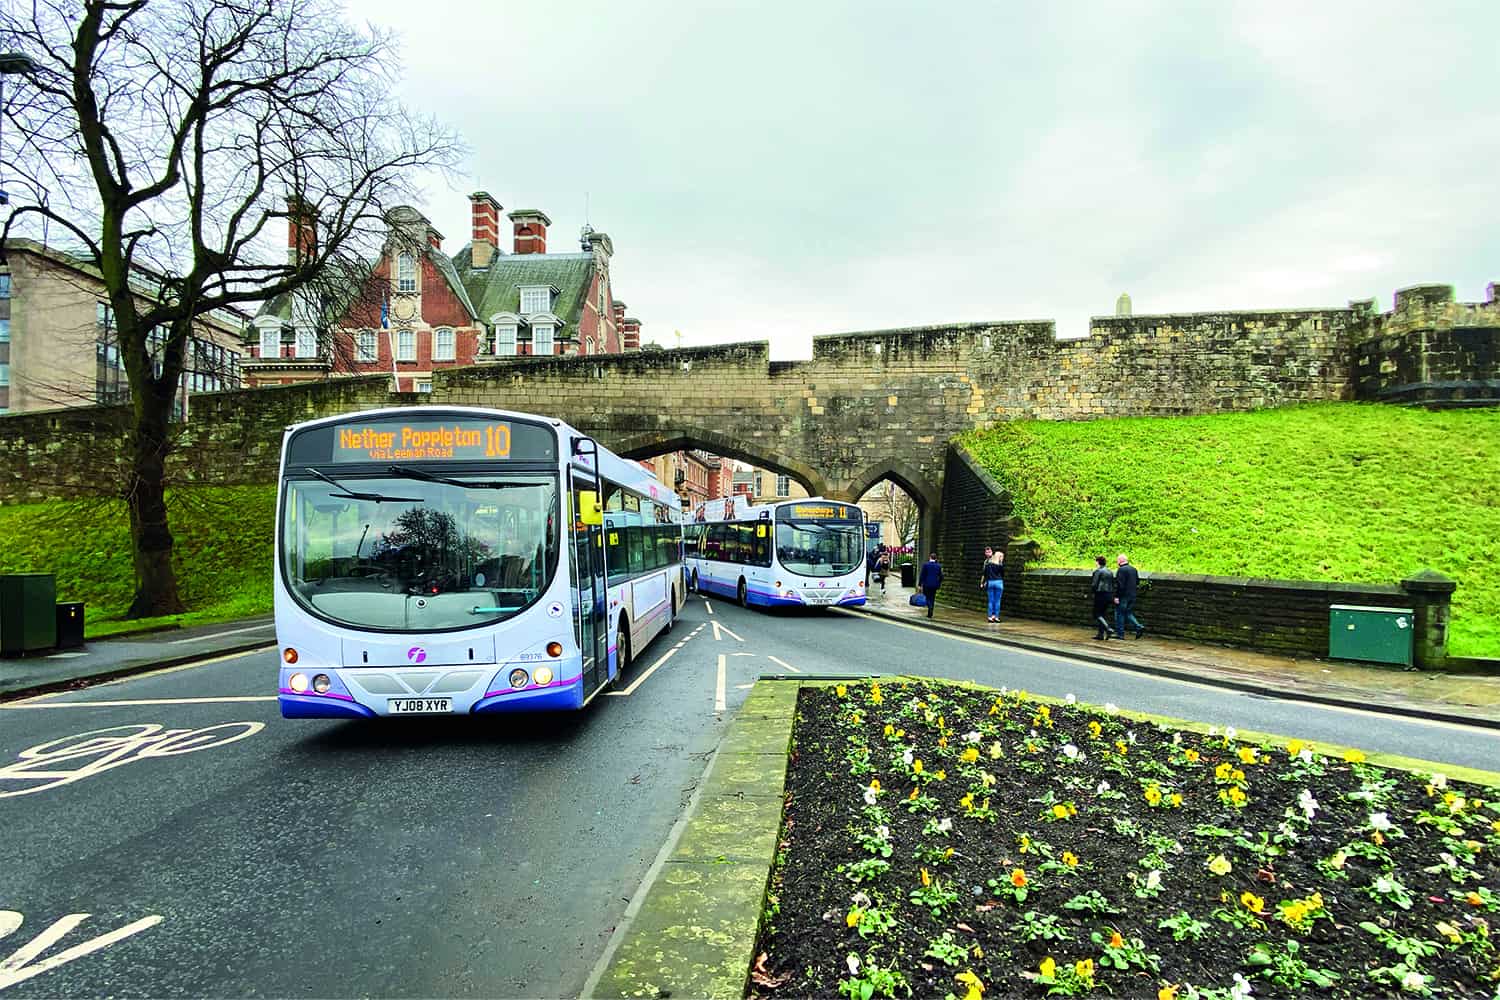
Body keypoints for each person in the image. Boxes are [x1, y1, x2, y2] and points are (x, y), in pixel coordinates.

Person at [1113, 553, 1145, 639]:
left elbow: (1120, 585)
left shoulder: (1121, 570)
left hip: (1123, 596)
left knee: (1119, 614)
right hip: (1132, 595)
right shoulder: (1134, 569)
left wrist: (1116, 597)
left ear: (1120, 561)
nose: (1117, 562)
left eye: (1117, 561)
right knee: (1128, 613)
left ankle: (1120, 634)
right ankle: (1138, 626)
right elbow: (1137, 582)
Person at [1089, 555, 1115, 640]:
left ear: (1097, 562)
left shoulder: (1098, 571)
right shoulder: (1110, 572)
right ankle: (1100, 634)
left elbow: (1094, 584)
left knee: (1096, 614)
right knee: (1102, 614)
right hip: (1109, 594)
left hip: (1100, 594)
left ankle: (1108, 628)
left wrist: (1091, 593)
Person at [980, 546, 1005, 622]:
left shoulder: (987, 564)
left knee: (991, 600)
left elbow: (985, 574)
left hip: (990, 582)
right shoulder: (1000, 565)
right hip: (999, 582)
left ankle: (990, 617)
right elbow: (1002, 574)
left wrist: (983, 583)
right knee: (997, 601)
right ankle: (996, 617)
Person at [918, 552, 943, 619]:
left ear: (930, 557)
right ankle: (930, 612)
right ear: (936, 558)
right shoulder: (938, 566)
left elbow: (922, 575)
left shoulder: (925, 565)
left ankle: (930, 607)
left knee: (926, 597)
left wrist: (920, 585)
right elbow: (941, 576)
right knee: (932, 598)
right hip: (934, 585)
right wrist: (938, 583)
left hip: (926, 584)